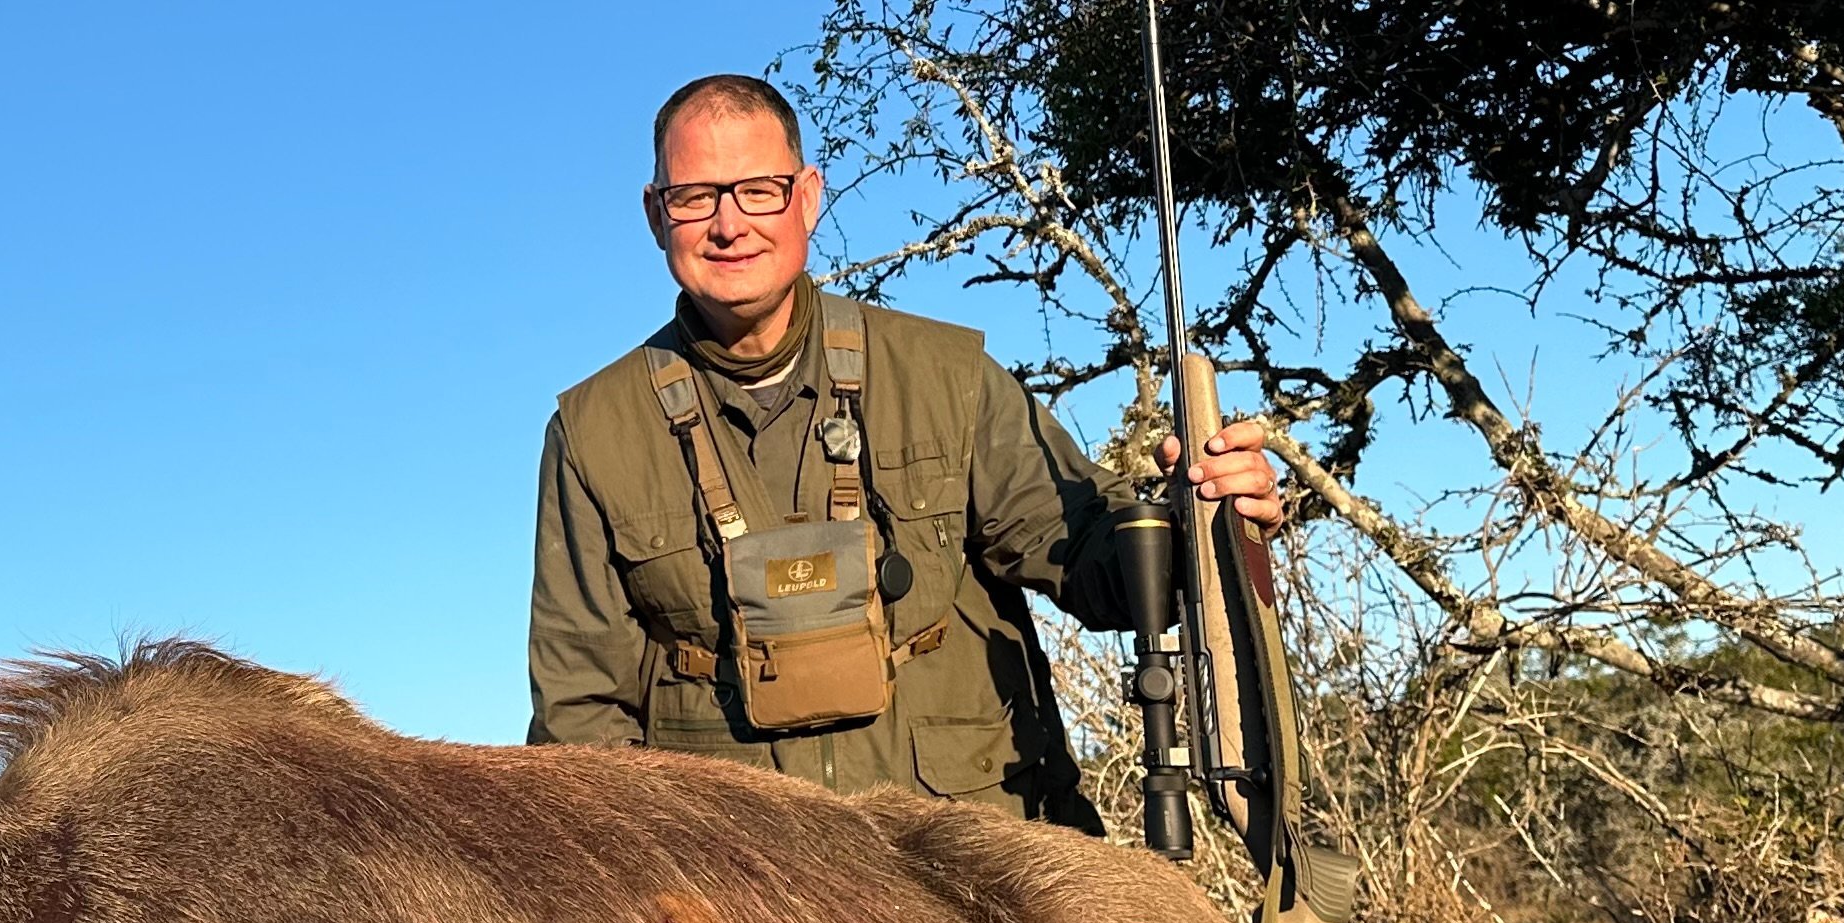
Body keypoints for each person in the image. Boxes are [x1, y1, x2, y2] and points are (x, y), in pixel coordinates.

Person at [528, 71, 1288, 817]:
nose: (730, 225)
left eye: (759, 189)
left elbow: (1089, 557)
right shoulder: (595, 432)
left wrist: (1203, 522)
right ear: (656, 215)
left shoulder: (945, 378)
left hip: (978, 863)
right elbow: (580, 722)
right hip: (745, 897)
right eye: (695, 198)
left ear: (808, 197)